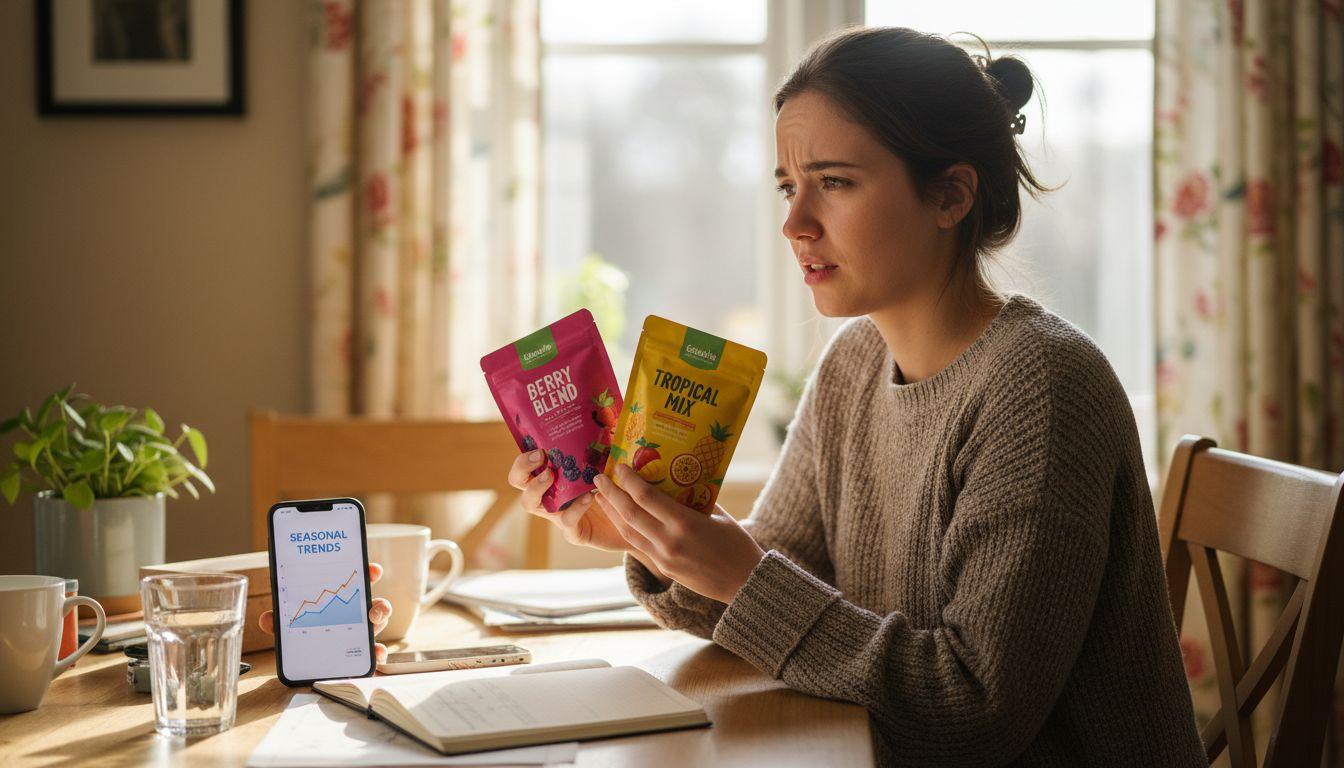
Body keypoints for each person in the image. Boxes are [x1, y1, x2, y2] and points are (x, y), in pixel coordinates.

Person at [505, 27, 1205, 765]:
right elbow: (783, 572)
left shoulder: (1045, 389)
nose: (794, 223)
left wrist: (741, 574)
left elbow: (973, 713)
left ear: (950, 195)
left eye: (834, 182)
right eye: (787, 185)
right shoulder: (855, 362)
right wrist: (653, 534)